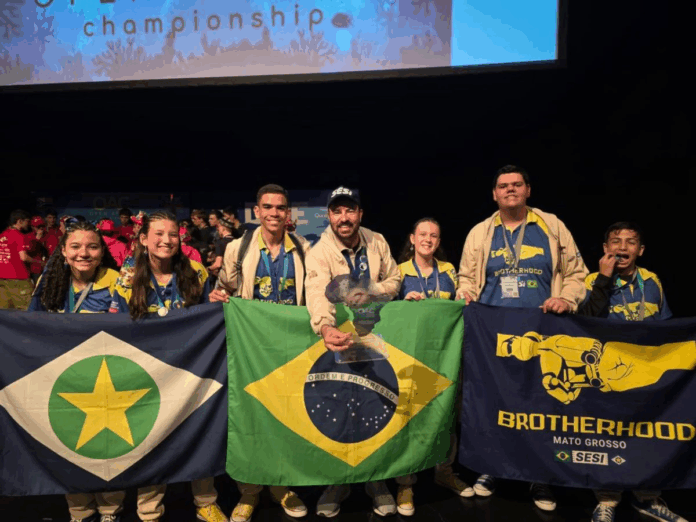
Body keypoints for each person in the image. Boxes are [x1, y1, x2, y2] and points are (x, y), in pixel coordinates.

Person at [456, 165, 589, 511]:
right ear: (494, 194)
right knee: (494, 403)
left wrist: (567, 299)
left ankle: (538, 475)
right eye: (503, 186)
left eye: (517, 184)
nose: (510, 190)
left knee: (538, 404)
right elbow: (466, 277)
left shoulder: (552, 225)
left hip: (542, 330)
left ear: (528, 190)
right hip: (493, 334)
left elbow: (578, 274)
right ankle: (491, 467)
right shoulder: (480, 232)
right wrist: (465, 293)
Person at [109, 210, 225, 522]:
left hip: (192, 371)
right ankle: (149, 507)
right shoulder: (127, 277)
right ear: (143, 239)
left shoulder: (196, 272)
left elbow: (209, 319)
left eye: (173, 234)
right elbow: (116, 327)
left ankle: (206, 501)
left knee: (200, 433)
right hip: (147, 373)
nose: (167, 240)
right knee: (151, 438)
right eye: (158, 234)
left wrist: (216, 303)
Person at [210, 184, 310, 522]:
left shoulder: (304, 248)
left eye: (280, 207)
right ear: (257, 211)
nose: (273, 213)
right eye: (267, 207)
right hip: (251, 348)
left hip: (290, 349)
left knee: (287, 419)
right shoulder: (238, 248)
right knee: (251, 419)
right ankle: (249, 491)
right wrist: (217, 296)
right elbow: (224, 288)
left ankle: (282, 486)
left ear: (288, 212)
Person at [304, 186, 401, 518]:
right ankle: (337, 482)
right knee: (339, 409)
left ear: (360, 213)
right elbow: (316, 291)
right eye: (337, 211)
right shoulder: (319, 251)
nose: (343, 218)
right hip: (340, 341)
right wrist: (325, 326)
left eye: (350, 210)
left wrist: (370, 291)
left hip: (375, 339)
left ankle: (376, 481)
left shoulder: (378, 241)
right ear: (329, 216)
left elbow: (395, 279)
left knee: (377, 408)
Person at [579, 222, 683, 522]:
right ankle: (607, 500)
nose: (622, 247)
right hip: (609, 376)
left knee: (648, 437)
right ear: (605, 248)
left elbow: (665, 326)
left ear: (641, 250)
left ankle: (648, 497)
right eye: (616, 241)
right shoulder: (591, 280)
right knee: (608, 437)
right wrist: (604, 278)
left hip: (647, 374)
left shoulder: (652, 281)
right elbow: (585, 321)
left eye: (630, 242)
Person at [28, 222, 124, 522]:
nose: (84, 253)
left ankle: (110, 509)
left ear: (102, 251)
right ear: (63, 251)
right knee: (71, 445)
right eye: (76, 247)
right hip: (64, 381)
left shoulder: (117, 281)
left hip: (107, 381)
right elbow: (31, 326)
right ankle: (79, 510)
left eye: (92, 247)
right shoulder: (50, 281)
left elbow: (133, 332)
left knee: (109, 445)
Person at [393, 218, 472, 516]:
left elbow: (464, 293)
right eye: (423, 234)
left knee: (446, 414)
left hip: (446, 356)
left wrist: (464, 294)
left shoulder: (449, 270)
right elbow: (386, 309)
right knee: (409, 417)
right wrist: (403, 301)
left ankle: (444, 471)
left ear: (439, 242)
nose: (428, 239)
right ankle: (405, 483)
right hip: (411, 356)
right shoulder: (399, 271)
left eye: (434, 235)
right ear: (412, 239)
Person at [0, 210, 37, 310]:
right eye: (27, 221)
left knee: (4, 311)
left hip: (2, 279)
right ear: (20, 221)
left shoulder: (2, 235)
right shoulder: (19, 235)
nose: (28, 224)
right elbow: (23, 257)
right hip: (19, 279)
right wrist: (39, 262)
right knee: (26, 309)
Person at [25, 216, 54, 282]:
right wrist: (37, 240)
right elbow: (28, 253)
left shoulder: (50, 236)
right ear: (32, 227)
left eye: (42, 226)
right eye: (38, 227)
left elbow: (52, 252)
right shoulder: (28, 237)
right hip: (34, 269)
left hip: (47, 268)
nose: (41, 228)